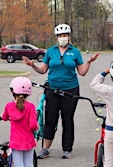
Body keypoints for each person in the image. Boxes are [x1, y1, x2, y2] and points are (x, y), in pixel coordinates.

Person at [22, 23, 99, 159]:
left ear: (69, 37)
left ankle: (67, 149)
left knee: (67, 119)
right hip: (52, 89)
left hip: (71, 90)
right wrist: (32, 64)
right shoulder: (50, 51)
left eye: (65, 35)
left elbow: (82, 72)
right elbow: (43, 70)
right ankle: (45, 149)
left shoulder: (74, 52)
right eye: (60, 35)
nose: (62, 38)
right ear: (57, 37)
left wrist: (89, 62)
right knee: (50, 119)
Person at [1, 77, 38, 167]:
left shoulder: (9, 106)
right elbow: (33, 125)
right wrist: (36, 127)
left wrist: (4, 116)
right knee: (29, 166)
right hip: (28, 141)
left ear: (13, 91)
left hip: (16, 143)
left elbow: (4, 117)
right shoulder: (31, 107)